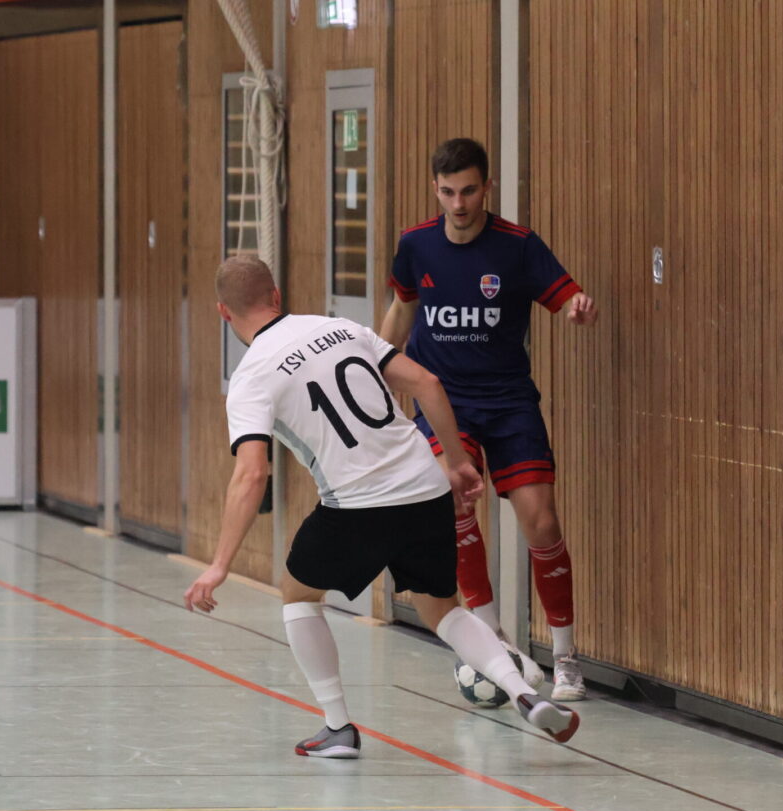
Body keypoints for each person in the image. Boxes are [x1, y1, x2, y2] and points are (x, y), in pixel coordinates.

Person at [185, 255, 580, 758]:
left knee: (298, 595)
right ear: (277, 296)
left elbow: (251, 473)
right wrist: (458, 462)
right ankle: (522, 690)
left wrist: (219, 565)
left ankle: (337, 727)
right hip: (424, 486)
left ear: (223, 312)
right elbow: (428, 383)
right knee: (442, 608)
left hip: (356, 504)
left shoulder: (250, 378)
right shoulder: (341, 329)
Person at [380, 137, 597, 702]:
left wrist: (576, 306)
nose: (459, 203)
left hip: (508, 402)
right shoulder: (416, 245)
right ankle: (493, 639)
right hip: (444, 402)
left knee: (541, 523)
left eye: (469, 191)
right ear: (435, 189)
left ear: (487, 188)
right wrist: (373, 370)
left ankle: (566, 656)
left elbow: (567, 295)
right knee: (453, 503)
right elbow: (402, 308)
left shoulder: (517, 246)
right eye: (449, 192)